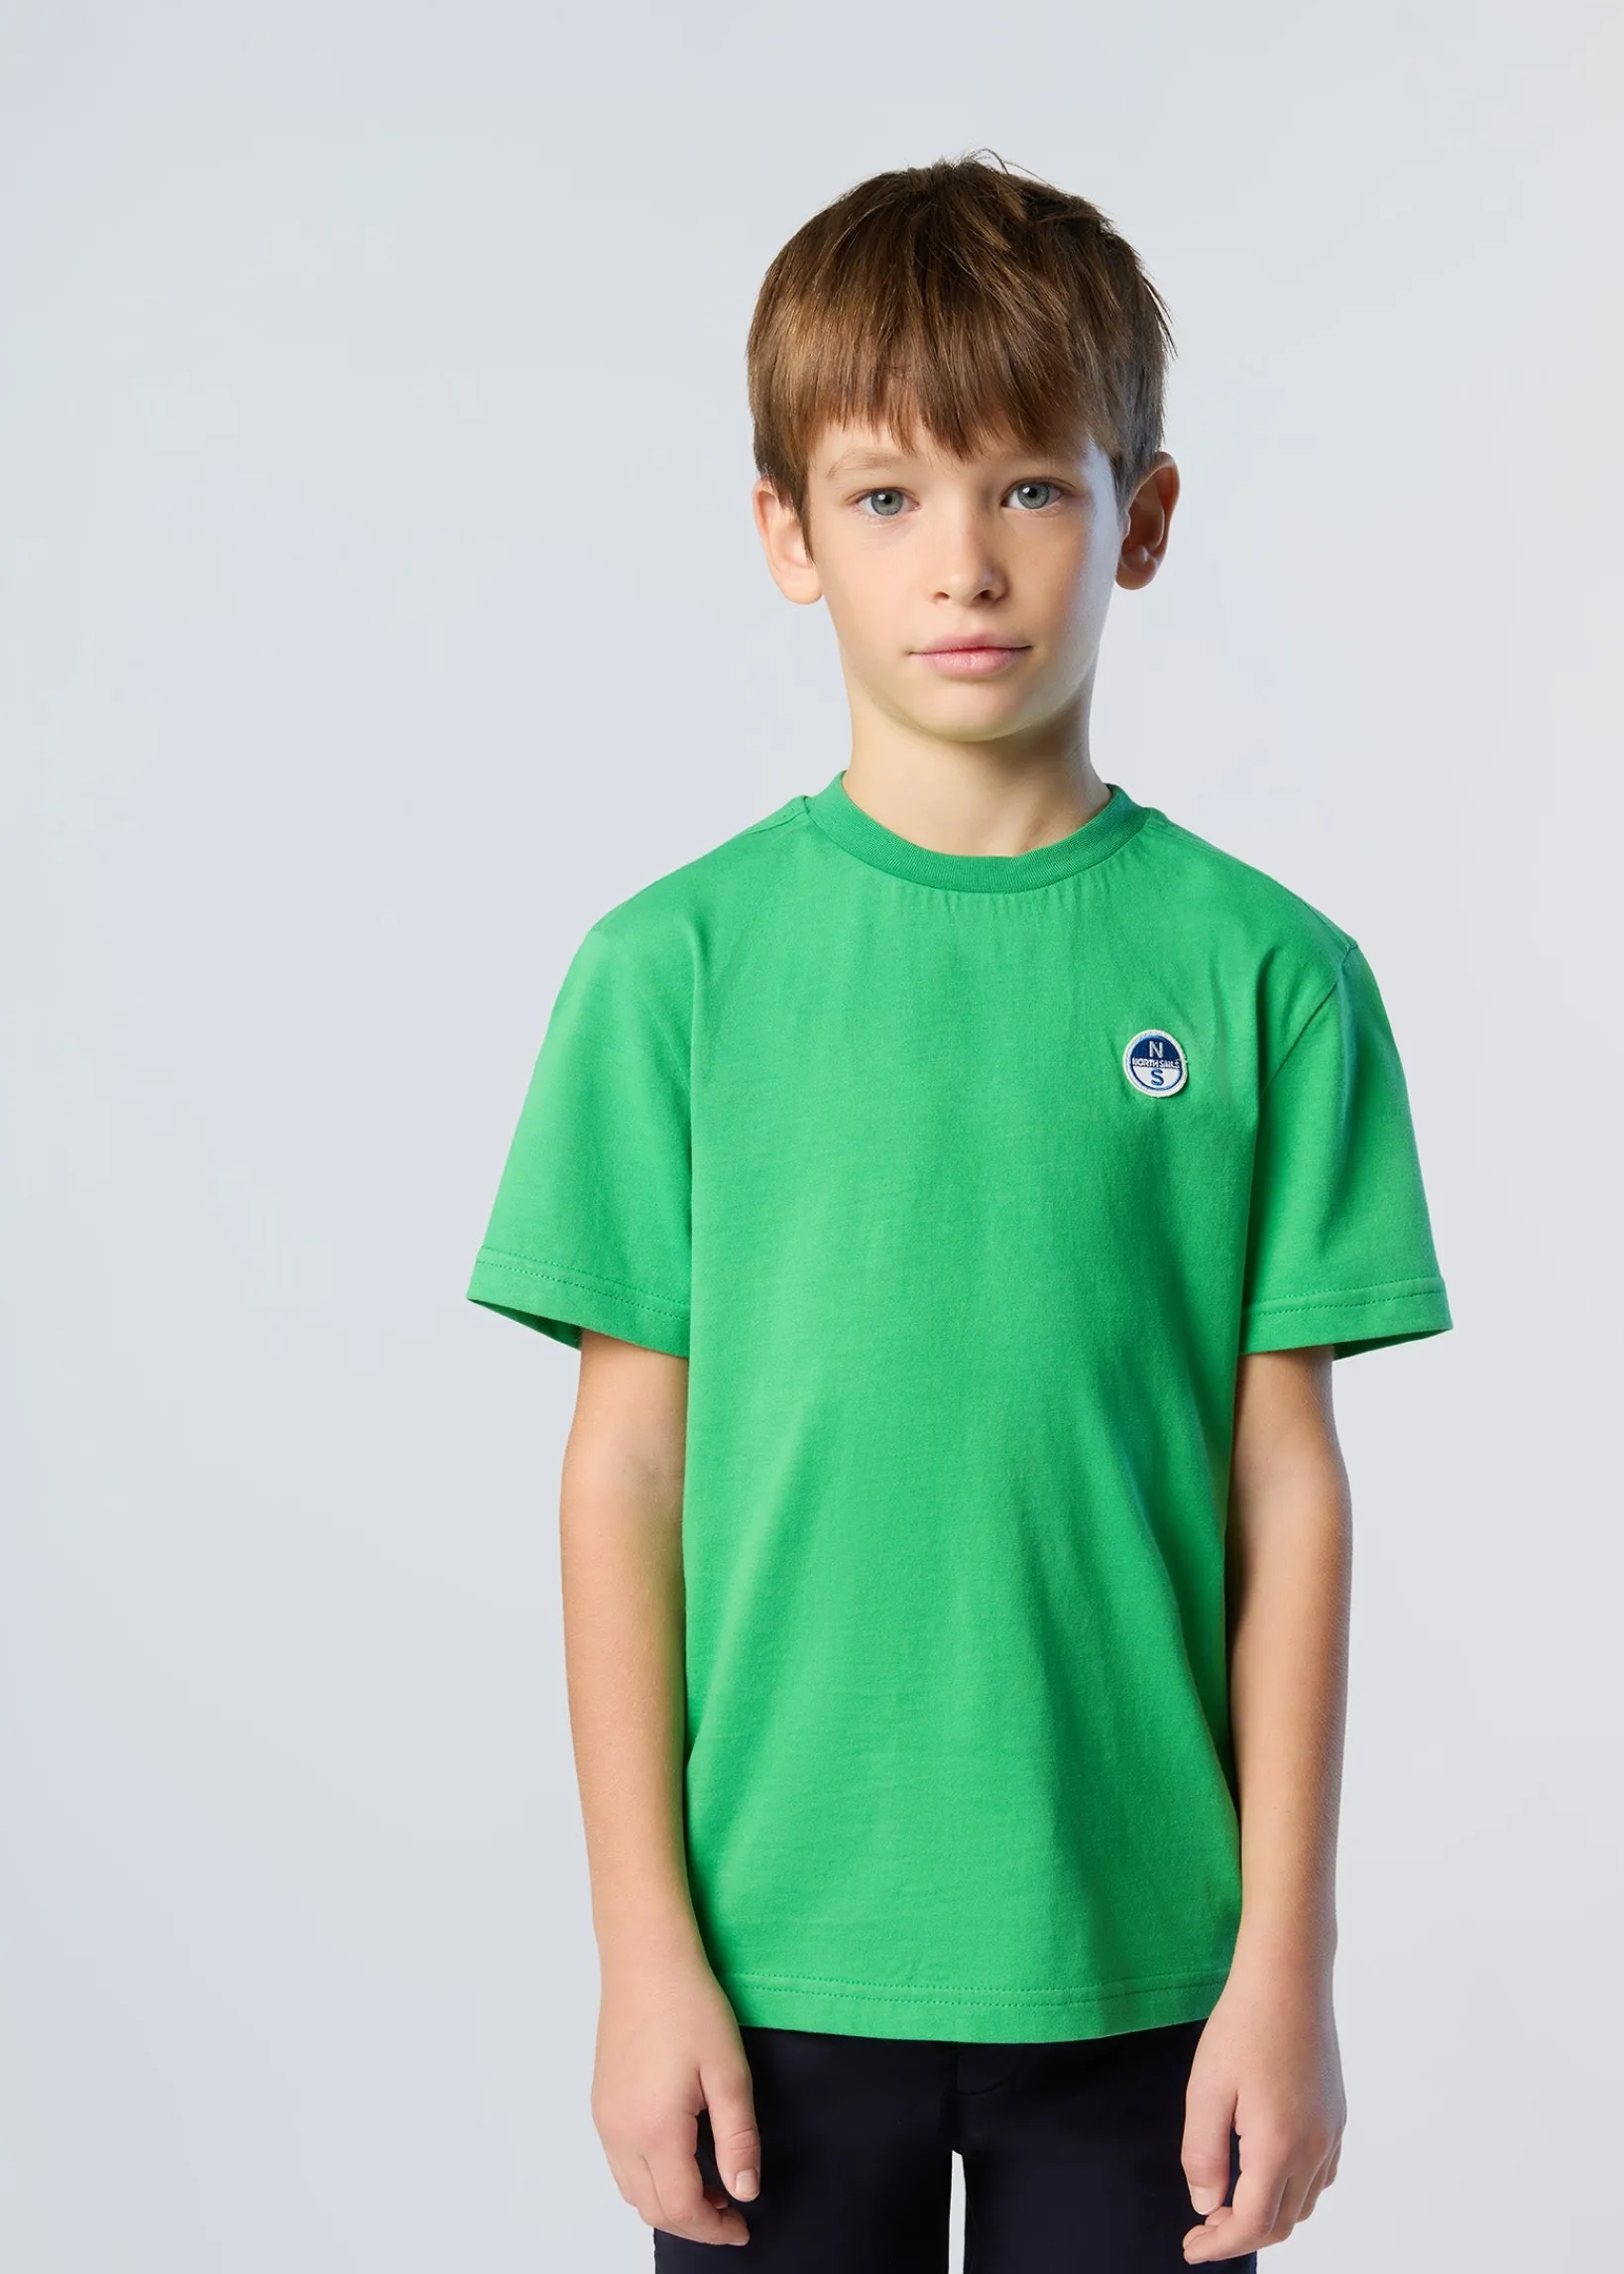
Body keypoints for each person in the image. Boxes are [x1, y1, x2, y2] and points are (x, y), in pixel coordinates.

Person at [467, 155, 1451, 2269]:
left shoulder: (1271, 977)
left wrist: (1287, 1963)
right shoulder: (672, 974)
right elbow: (624, 1470)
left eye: (1029, 488)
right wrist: (643, 1952)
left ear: (1141, 518)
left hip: (1144, 1965)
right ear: (787, 534)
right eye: (888, 495)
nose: (966, 562)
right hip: (769, 1964)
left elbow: (1287, 1485)